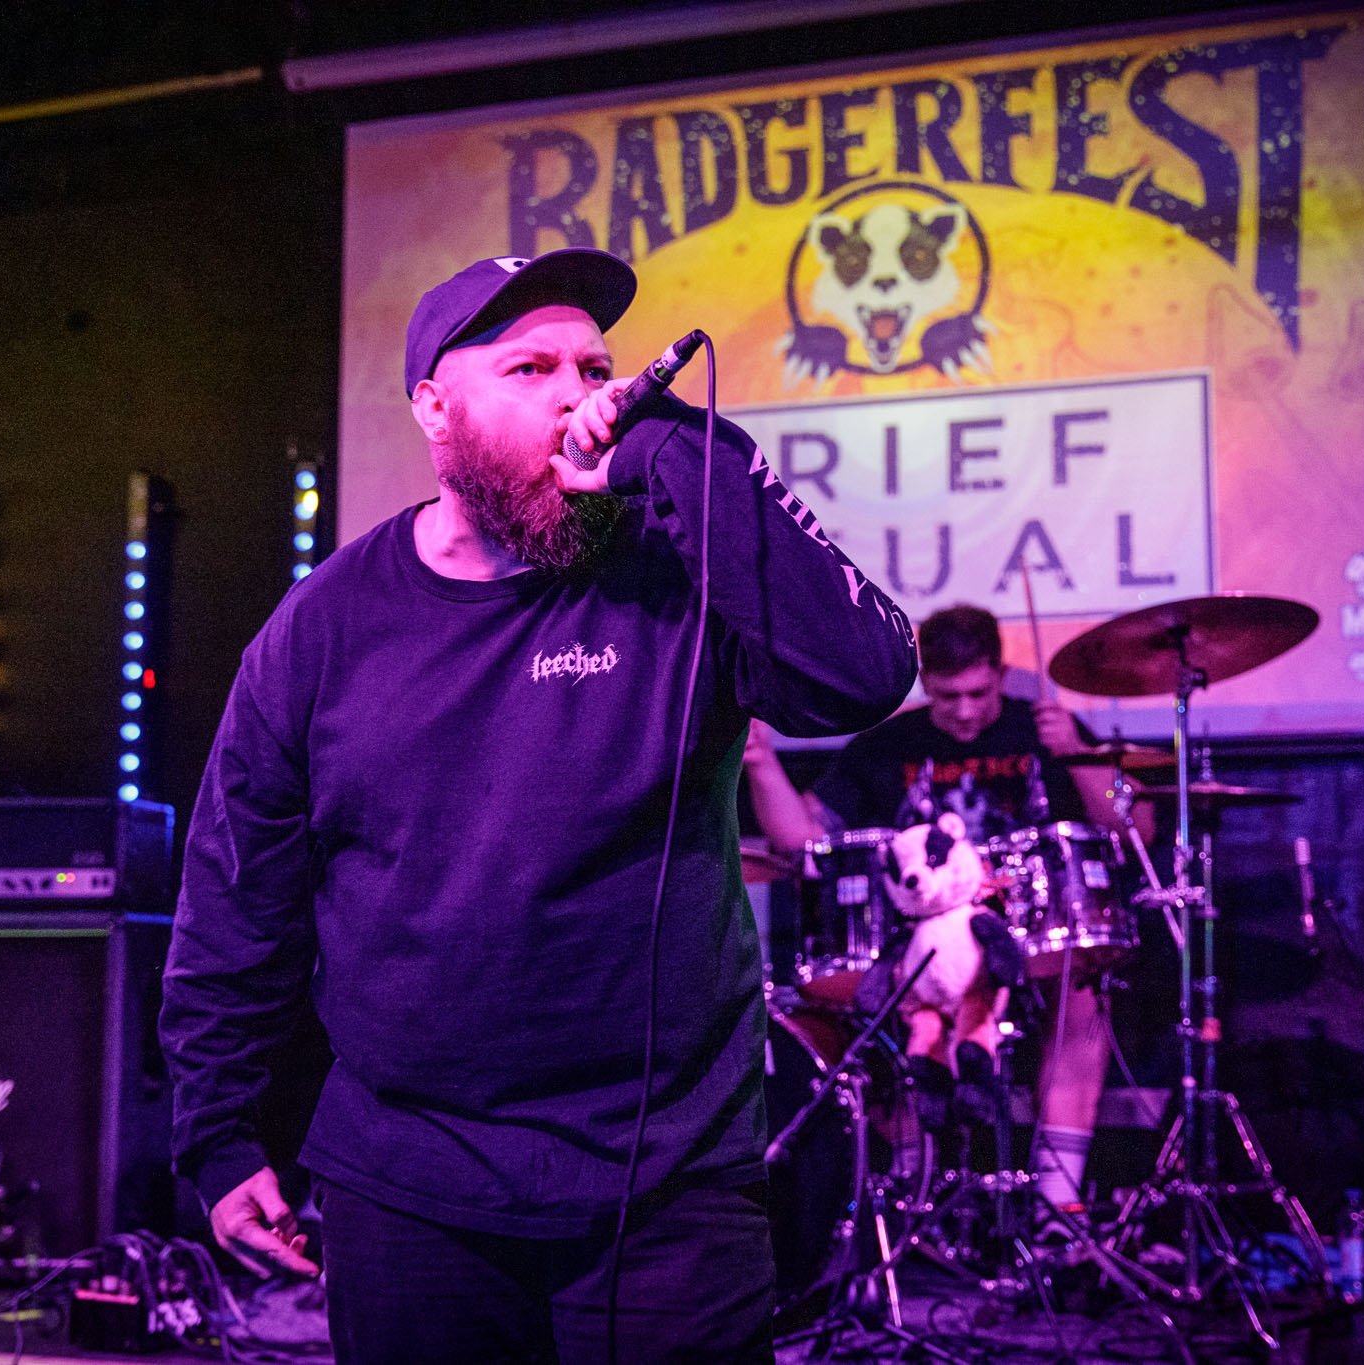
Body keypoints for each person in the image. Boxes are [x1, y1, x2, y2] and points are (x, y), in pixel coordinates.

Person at [159, 248, 916, 1364]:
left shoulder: (668, 574)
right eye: (528, 367)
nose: (576, 393)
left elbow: (862, 672)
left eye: (594, 366)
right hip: (409, 1182)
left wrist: (680, 455)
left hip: (668, 1183)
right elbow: (236, 898)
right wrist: (217, 1138)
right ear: (432, 406)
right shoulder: (322, 629)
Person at [744, 604, 1147, 1222]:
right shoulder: (887, 745)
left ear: (1000, 673)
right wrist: (762, 764)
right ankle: (916, 1205)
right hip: (920, 953)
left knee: (1083, 997)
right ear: (925, 682)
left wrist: (1078, 757)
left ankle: (1056, 1205)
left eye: (978, 693)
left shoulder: (1041, 728)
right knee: (874, 1014)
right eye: (946, 695)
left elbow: (1133, 831)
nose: (963, 711)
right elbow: (802, 846)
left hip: (1026, 940)